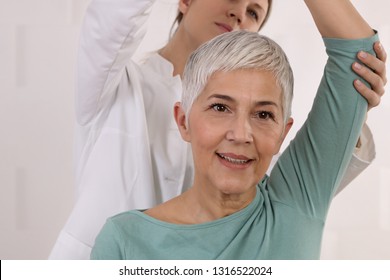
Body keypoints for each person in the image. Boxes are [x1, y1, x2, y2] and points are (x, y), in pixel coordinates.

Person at [49, 0, 387, 259]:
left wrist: (349, 111)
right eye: (220, 108)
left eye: (254, 12)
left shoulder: (259, 146)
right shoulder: (115, 86)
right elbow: (112, 20)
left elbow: (296, 191)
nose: (240, 13)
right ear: (183, 120)